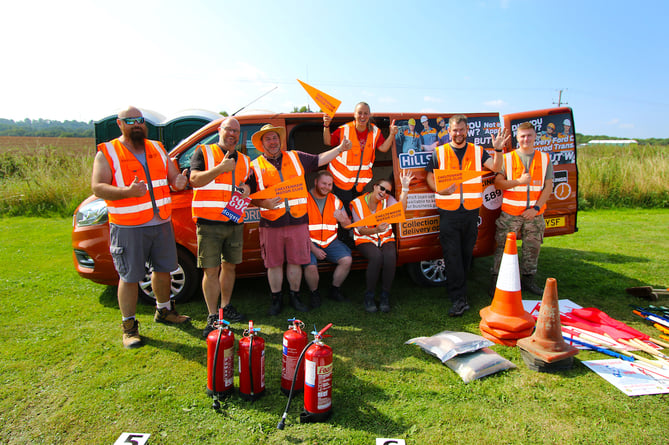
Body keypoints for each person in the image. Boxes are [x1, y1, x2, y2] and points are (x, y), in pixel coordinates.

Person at [91, 106, 190, 349]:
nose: (137, 124)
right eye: (130, 120)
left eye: (140, 120)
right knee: (130, 277)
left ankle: (164, 311)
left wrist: (179, 181)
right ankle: (129, 327)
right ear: (120, 123)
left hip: (161, 221)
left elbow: (173, 178)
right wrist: (126, 192)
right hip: (128, 226)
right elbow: (98, 188)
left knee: (164, 268)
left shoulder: (156, 147)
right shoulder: (108, 152)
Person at [249, 124, 352, 316]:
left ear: (280, 140)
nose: (272, 142)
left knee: (295, 263)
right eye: (268, 139)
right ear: (262, 144)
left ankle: (295, 297)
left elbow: (320, 159)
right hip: (271, 223)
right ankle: (276, 299)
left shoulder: (296, 157)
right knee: (274, 265)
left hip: (297, 222)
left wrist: (340, 149)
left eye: (274, 137)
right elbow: (249, 195)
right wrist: (263, 203)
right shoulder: (254, 166)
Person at [425, 115, 506, 317]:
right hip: (448, 212)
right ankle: (459, 299)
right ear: (449, 131)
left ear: (467, 130)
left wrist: (497, 150)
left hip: (470, 212)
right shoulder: (439, 152)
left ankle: (459, 291)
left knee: (466, 255)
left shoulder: (478, 151)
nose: (458, 133)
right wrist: (439, 190)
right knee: (452, 256)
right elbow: (429, 175)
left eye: (461, 130)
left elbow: (496, 168)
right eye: (455, 130)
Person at [189, 117, 251, 337]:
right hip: (209, 222)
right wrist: (221, 168)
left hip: (234, 221)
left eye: (236, 130)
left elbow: (247, 182)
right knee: (211, 270)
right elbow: (194, 180)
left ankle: (225, 308)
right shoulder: (203, 152)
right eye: (228, 129)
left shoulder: (244, 159)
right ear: (219, 130)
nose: (232, 134)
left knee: (230, 266)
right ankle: (213, 316)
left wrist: (246, 190)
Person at [490, 122, 553, 297]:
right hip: (510, 214)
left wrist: (536, 208)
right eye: (522, 136)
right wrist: (518, 181)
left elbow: (548, 187)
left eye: (529, 135)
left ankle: (528, 281)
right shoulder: (508, 158)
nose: (526, 139)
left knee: (532, 249)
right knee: (503, 249)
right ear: (517, 138)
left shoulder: (544, 158)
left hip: (534, 214)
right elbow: (498, 183)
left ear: (535, 137)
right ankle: (496, 283)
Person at [350, 170, 413, 313]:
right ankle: (369, 296)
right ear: (375, 186)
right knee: (376, 257)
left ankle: (385, 296)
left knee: (390, 257)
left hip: (385, 237)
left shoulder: (387, 200)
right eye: (382, 188)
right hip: (365, 238)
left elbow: (401, 210)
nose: (384, 192)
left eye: (387, 191)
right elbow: (360, 230)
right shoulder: (357, 203)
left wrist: (405, 188)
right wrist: (376, 230)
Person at [323, 102, 398, 210]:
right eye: (360, 113)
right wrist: (326, 125)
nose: (362, 116)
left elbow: (383, 148)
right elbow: (327, 141)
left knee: (355, 210)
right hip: (341, 181)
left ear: (369, 115)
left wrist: (391, 134)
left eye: (366, 113)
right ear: (354, 114)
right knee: (346, 212)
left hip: (359, 184)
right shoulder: (345, 129)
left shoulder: (375, 131)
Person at [303, 170, 353, 307]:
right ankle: (314, 293)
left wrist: (343, 221)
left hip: (330, 241)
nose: (326, 187)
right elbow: (298, 230)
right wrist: (313, 249)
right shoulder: (304, 199)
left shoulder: (335, 200)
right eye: (324, 183)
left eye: (330, 184)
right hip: (309, 242)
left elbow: (348, 226)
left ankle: (334, 290)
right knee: (311, 267)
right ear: (316, 182)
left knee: (347, 260)